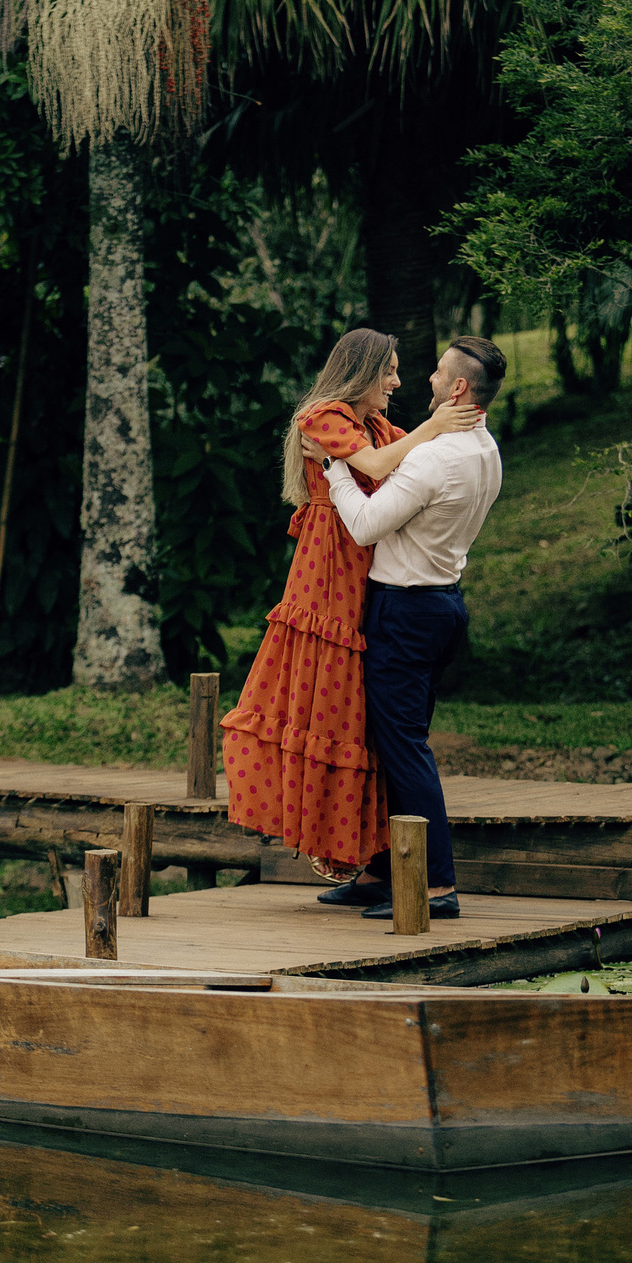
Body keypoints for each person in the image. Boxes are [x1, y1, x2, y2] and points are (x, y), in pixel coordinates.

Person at [220, 328, 481, 880]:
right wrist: (436, 424)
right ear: (360, 371)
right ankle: (341, 847)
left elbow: (410, 462)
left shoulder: (378, 425)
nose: (396, 382)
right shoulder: (323, 415)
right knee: (330, 696)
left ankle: (365, 859)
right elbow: (384, 467)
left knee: (362, 714)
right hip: (331, 561)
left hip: (369, 563)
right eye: (387, 370)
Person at [301, 336, 507, 919]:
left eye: (440, 372)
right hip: (444, 604)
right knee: (391, 744)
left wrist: (335, 467)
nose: (429, 379)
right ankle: (379, 872)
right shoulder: (484, 450)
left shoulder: (434, 456)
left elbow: (365, 526)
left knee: (405, 750)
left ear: (460, 388)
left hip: (406, 610)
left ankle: (436, 886)